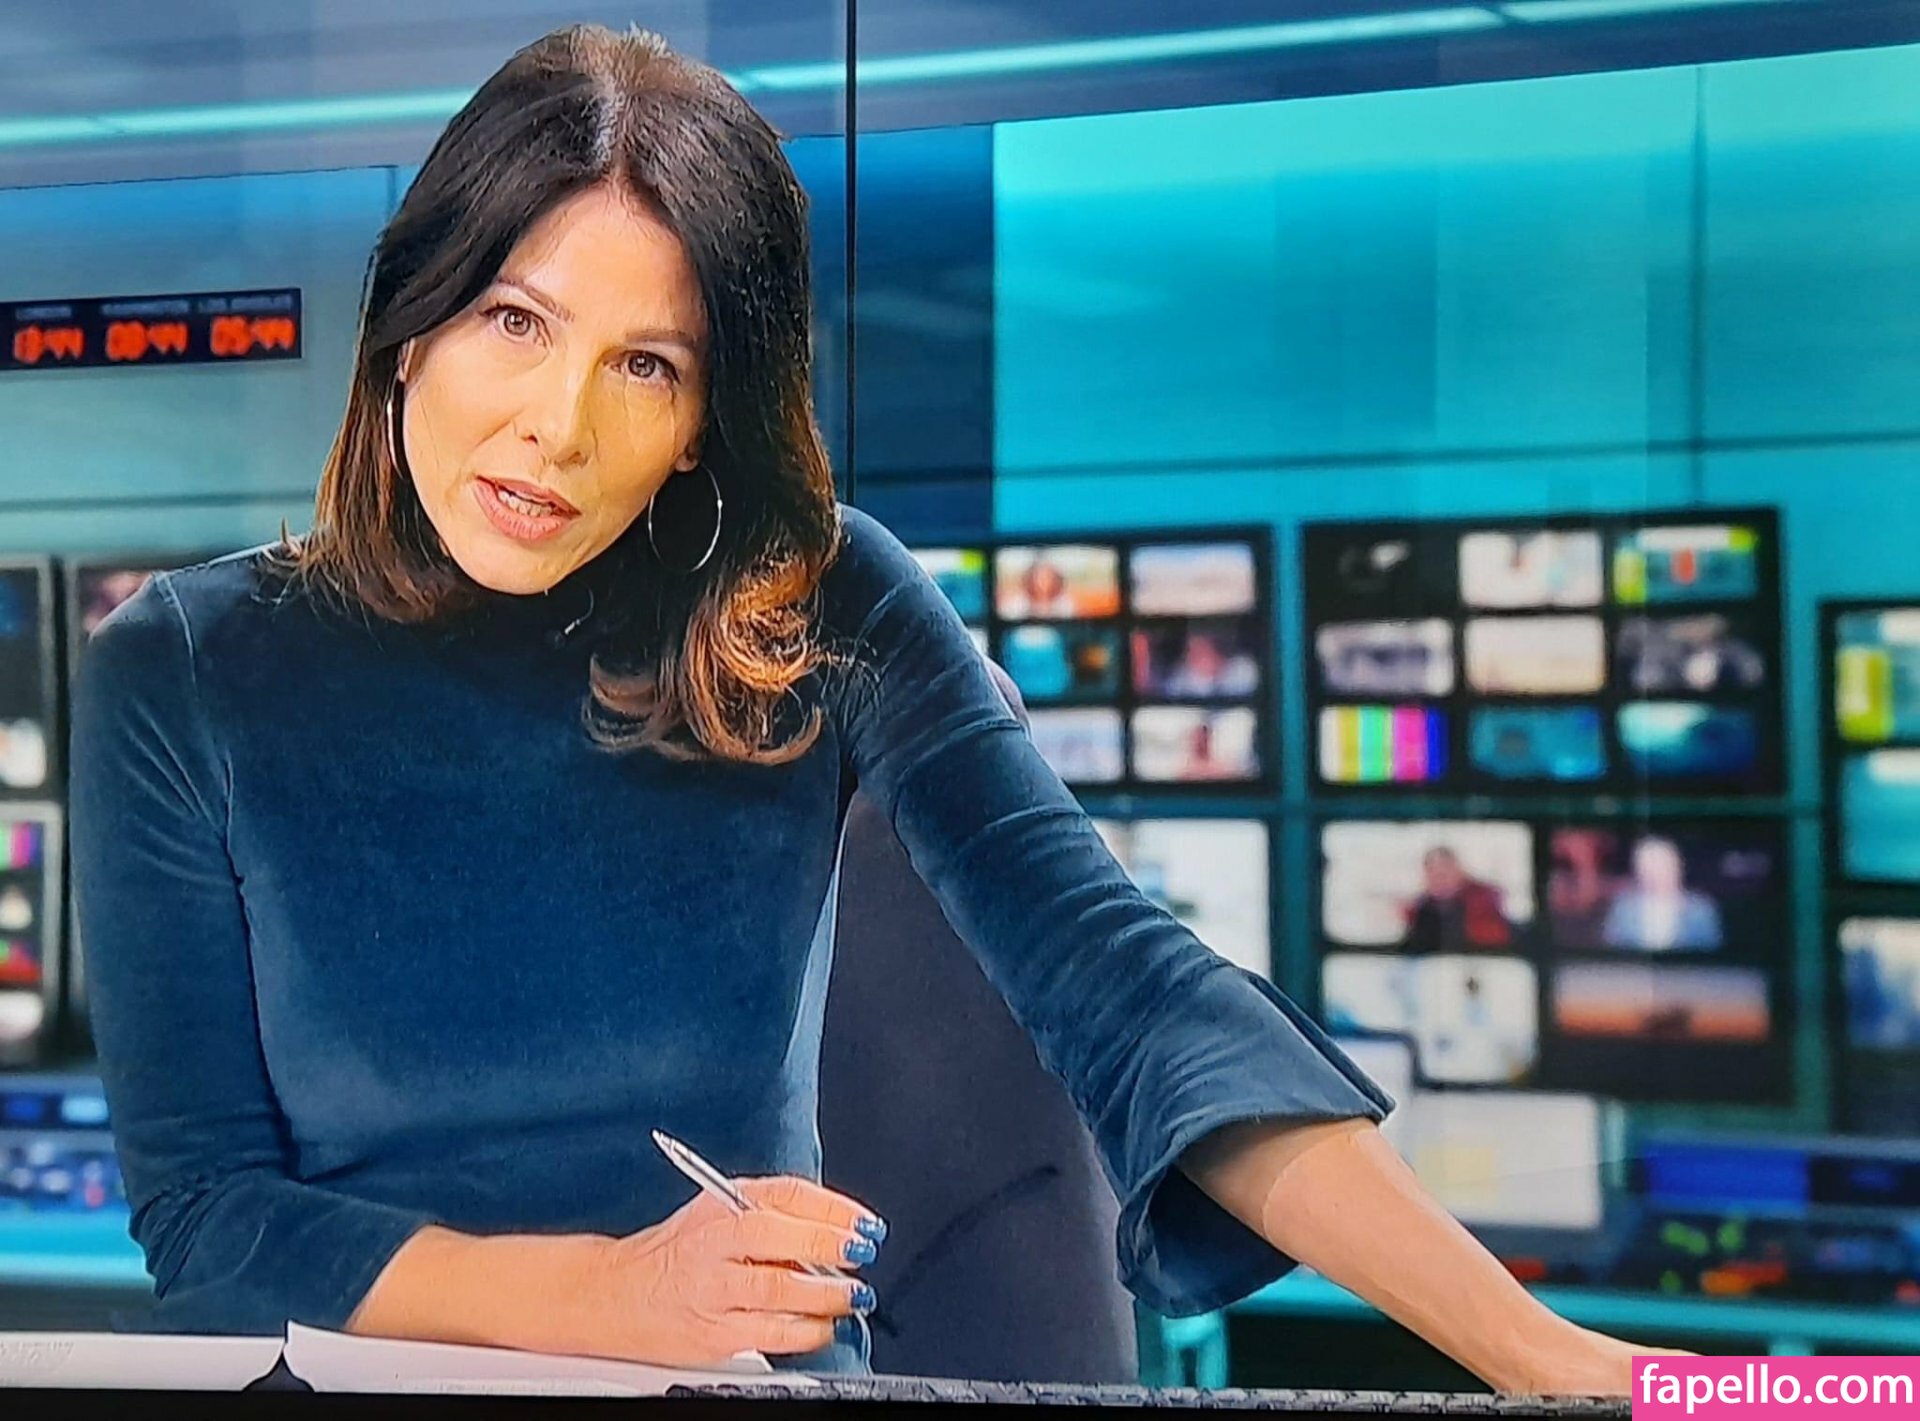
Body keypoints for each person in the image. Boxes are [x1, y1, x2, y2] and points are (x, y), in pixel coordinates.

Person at [69, 23, 1675, 1392]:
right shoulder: (185, 667)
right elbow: (211, 1220)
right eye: (516, 320)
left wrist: (1551, 1359)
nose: (557, 425)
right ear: (408, 324)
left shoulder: (813, 602)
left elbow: (1131, 993)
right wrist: (615, 1295)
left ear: (705, 419)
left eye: (648, 365)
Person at [1601, 836, 1723, 952]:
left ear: (1676, 867)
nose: (1654, 874)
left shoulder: (1701, 908)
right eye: (1646, 867)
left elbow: (1712, 953)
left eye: (1661, 865)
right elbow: (1612, 949)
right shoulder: (1623, 907)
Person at [1401, 846, 1515, 952]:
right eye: (1433, 872)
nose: (1440, 879)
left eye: (1445, 871)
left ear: (1458, 870)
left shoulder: (1482, 898)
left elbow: (1495, 937)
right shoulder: (1421, 908)